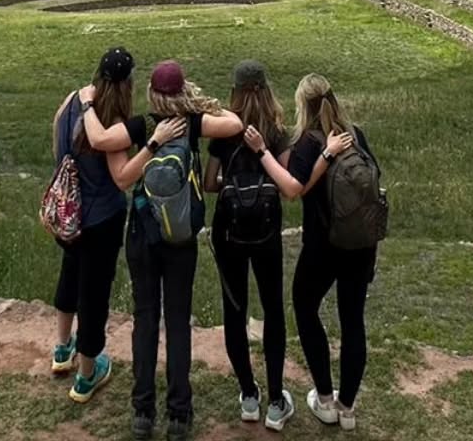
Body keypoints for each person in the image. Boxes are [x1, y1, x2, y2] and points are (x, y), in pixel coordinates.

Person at [86, 60, 242, 441]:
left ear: (152, 94)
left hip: (142, 232)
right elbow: (235, 123)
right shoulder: (191, 125)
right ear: (180, 91)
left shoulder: (141, 126)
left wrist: (88, 105)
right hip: (180, 237)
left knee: (145, 319)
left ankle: (142, 412)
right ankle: (179, 414)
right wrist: (196, 103)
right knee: (177, 320)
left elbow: (110, 157)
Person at [51, 47, 188, 406]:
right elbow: (123, 178)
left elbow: (57, 139)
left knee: (69, 275)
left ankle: (61, 348)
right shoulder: (114, 121)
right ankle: (86, 376)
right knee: (93, 295)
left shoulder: (72, 101)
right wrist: (153, 145)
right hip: (101, 219)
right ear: (127, 83)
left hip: (71, 212)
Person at [244, 74, 377, 432]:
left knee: (304, 307)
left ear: (304, 104)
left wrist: (262, 151)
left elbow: (293, 189)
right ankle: (347, 409)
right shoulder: (357, 135)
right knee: (353, 321)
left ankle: (324, 396)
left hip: (324, 245)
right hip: (362, 245)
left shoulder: (308, 144)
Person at [204, 59, 294, 431]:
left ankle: (248, 396)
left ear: (236, 90)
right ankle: (276, 401)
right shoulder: (275, 130)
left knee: (234, 311)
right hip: (268, 233)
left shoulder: (225, 130)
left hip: (230, 233)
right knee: (273, 311)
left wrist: (231, 178)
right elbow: (287, 180)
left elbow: (211, 183)